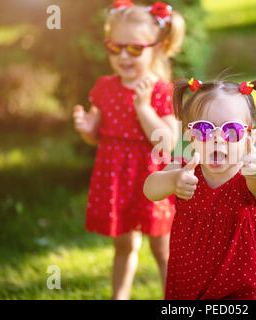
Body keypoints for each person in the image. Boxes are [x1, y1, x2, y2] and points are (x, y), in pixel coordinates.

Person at [72, 0, 185, 300]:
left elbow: (167, 141)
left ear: (157, 48)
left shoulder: (162, 91)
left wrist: (143, 107)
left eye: (134, 48)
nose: (123, 56)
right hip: (118, 180)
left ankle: (173, 299)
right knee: (123, 244)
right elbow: (97, 137)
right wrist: (88, 129)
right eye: (115, 47)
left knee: (162, 246)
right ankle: (119, 296)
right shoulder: (105, 88)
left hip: (153, 181)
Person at [144, 77, 256, 299]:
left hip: (233, 287)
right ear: (189, 135)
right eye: (204, 129)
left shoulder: (249, 174)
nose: (217, 139)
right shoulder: (184, 168)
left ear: (250, 138)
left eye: (232, 130)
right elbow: (150, 188)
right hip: (184, 283)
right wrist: (173, 180)